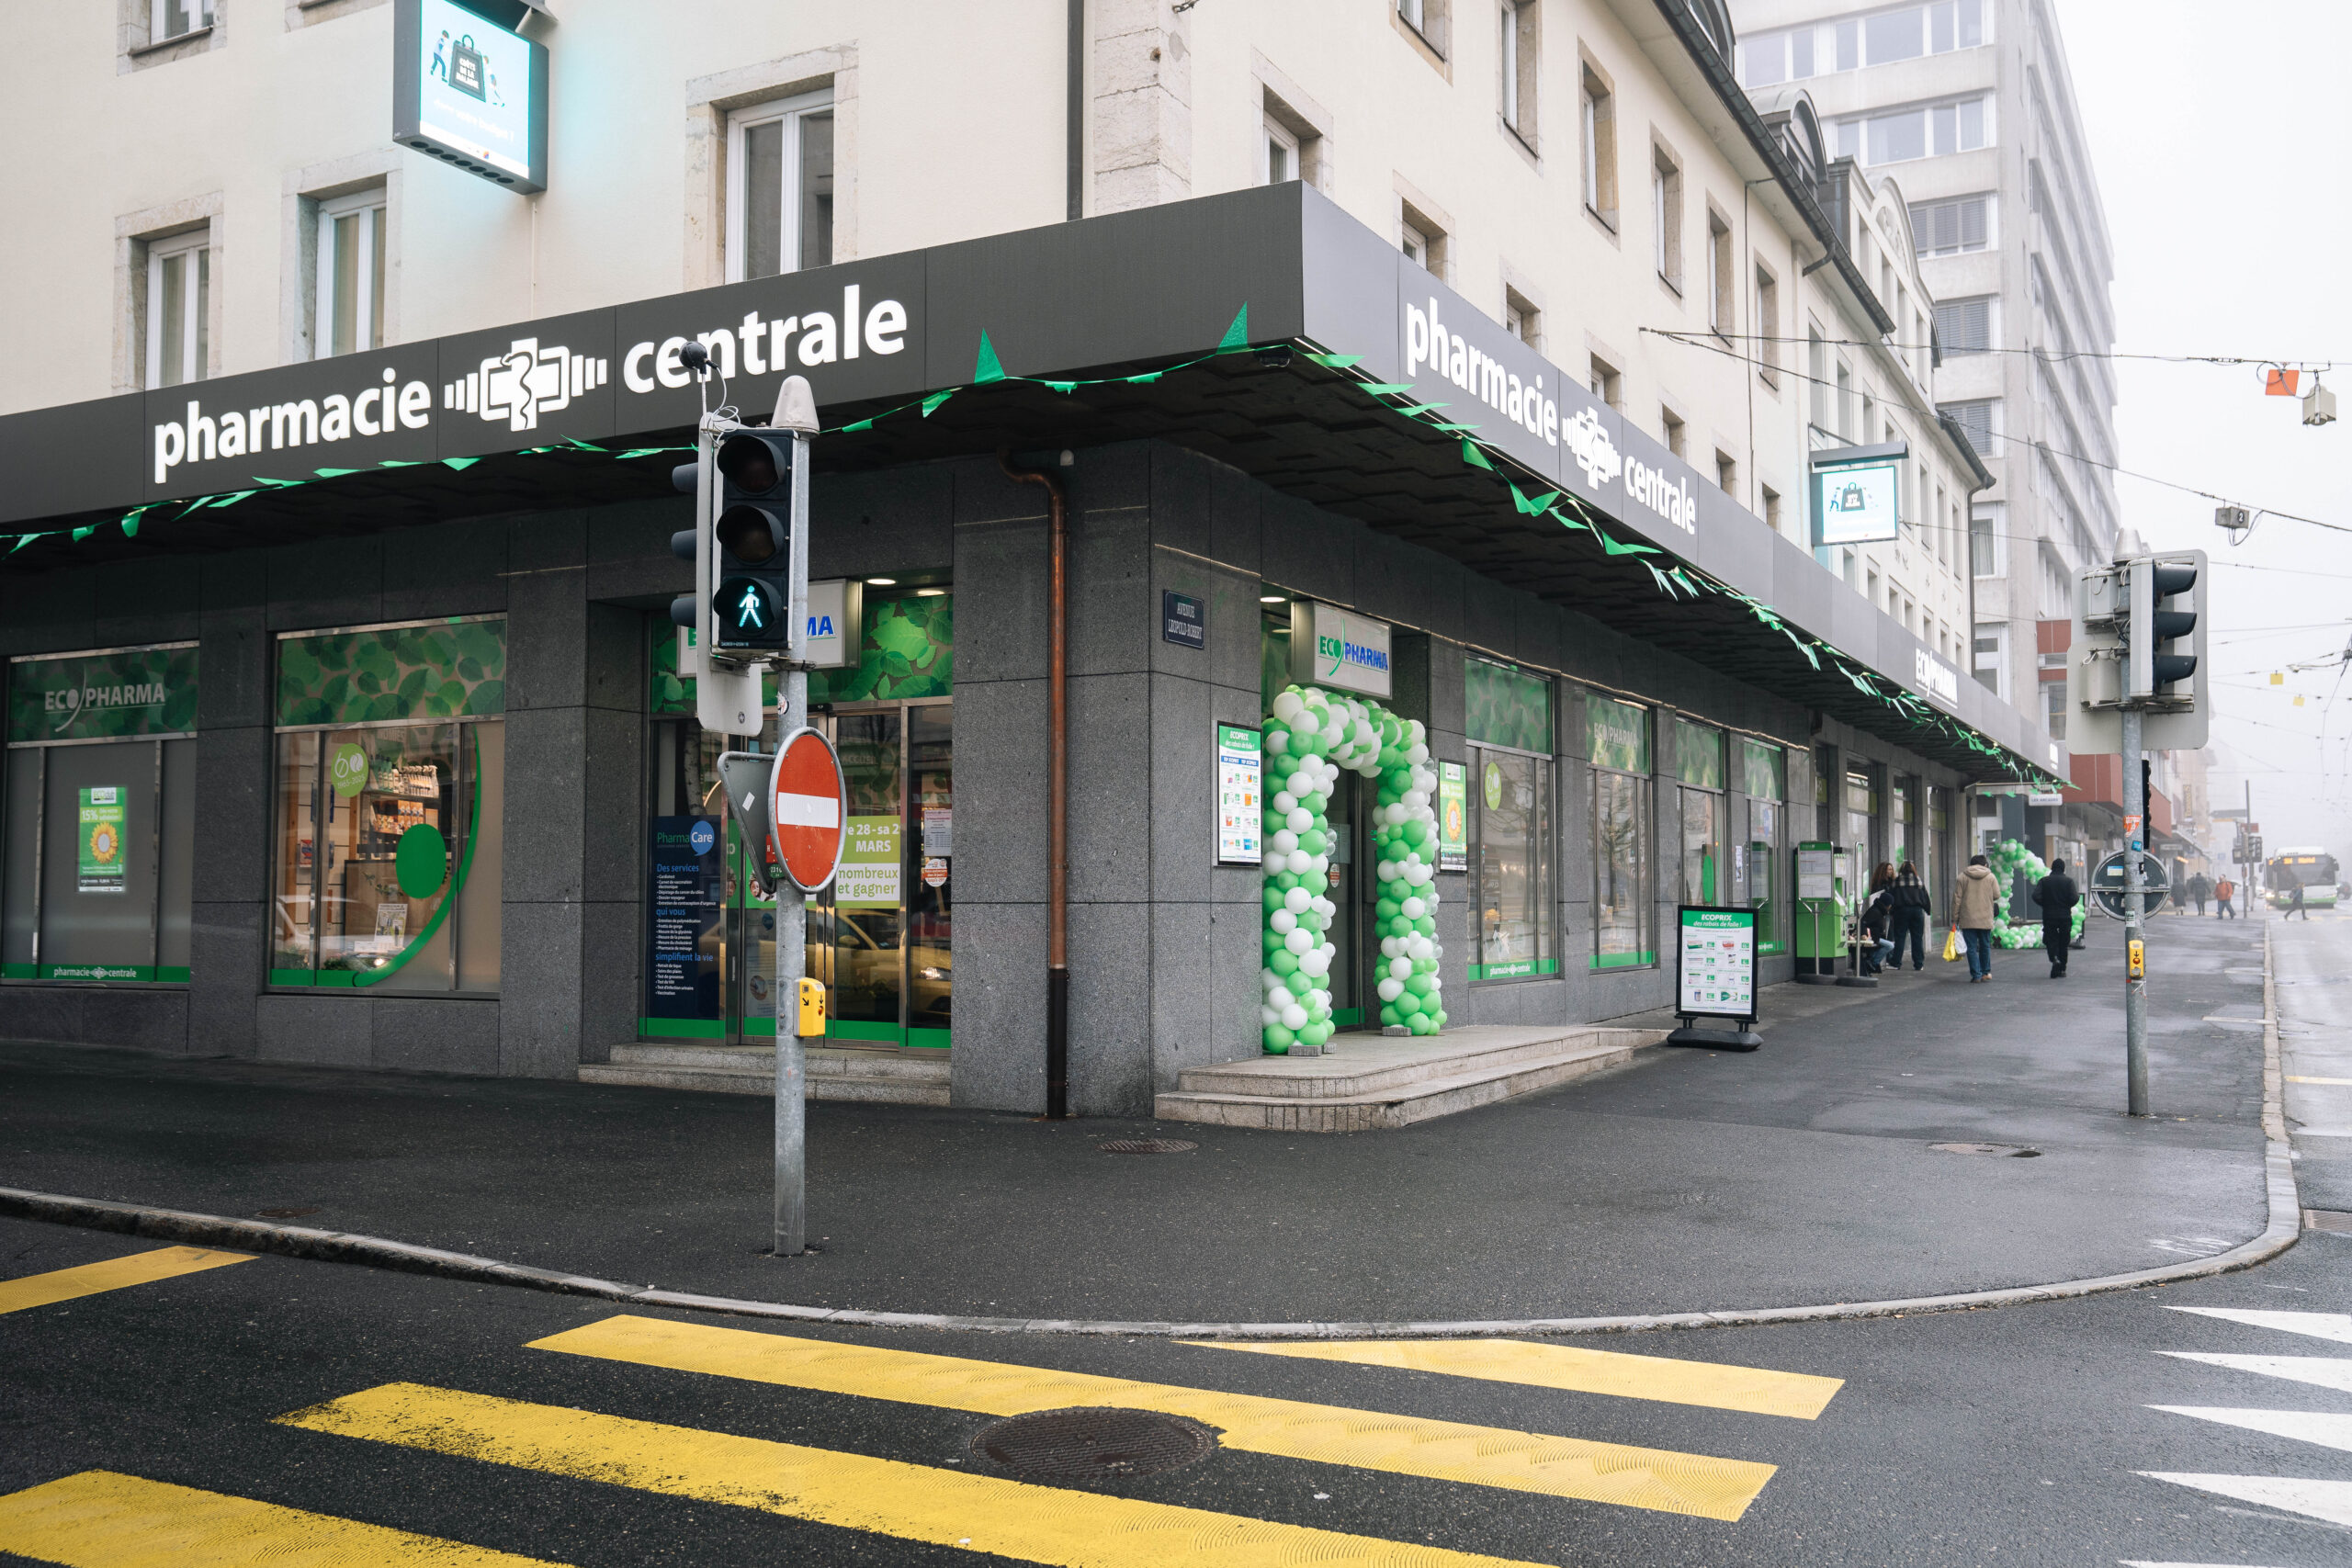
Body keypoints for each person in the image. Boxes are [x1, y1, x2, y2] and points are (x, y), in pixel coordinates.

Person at [1954, 852, 2000, 982]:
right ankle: (1986, 972)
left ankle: (1976, 975)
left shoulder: (1962, 877)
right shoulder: (1990, 877)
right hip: (1985, 917)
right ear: (1985, 864)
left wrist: (1955, 918)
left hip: (1968, 917)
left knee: (1971, 947)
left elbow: (1957, 899)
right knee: (1985, 945)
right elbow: (1997, 895)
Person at [2035, 858, 2080, 978]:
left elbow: (2036, 895)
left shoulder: (2044, 881)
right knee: (2064, 943)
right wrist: (2067, 905)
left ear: (2052, 868)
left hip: (2049, 915)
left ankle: (2054, 958)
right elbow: (2075, 898)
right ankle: (2062, 969)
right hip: (2065, 916)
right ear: (2063, 868)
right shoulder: (2069, 881)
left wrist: (2045, 904)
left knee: (2051, 939)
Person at [1887, 861, 1933, 971]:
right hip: (1917, 911)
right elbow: (1925, 897)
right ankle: (1919, 964)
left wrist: (1891, 911)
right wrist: (1928, 910)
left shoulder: (1897, 882)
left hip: (1901, 911)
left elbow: (1892, 897)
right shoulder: (1918, 881)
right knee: (1917, 938)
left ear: (1901, 870)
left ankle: (1896, 962)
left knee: (1900, 937)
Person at [1858, 862, 1896, 976]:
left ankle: (1873, 962)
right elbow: (1863, 922)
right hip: (1873, 936)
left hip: (1875, 935)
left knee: (1890, 940)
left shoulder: (1880, 910)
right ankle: (1873, 962)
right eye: (1888, 869)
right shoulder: (1876, 910)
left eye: (1891, 869)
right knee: (1889, 943)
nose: (1890, 871)